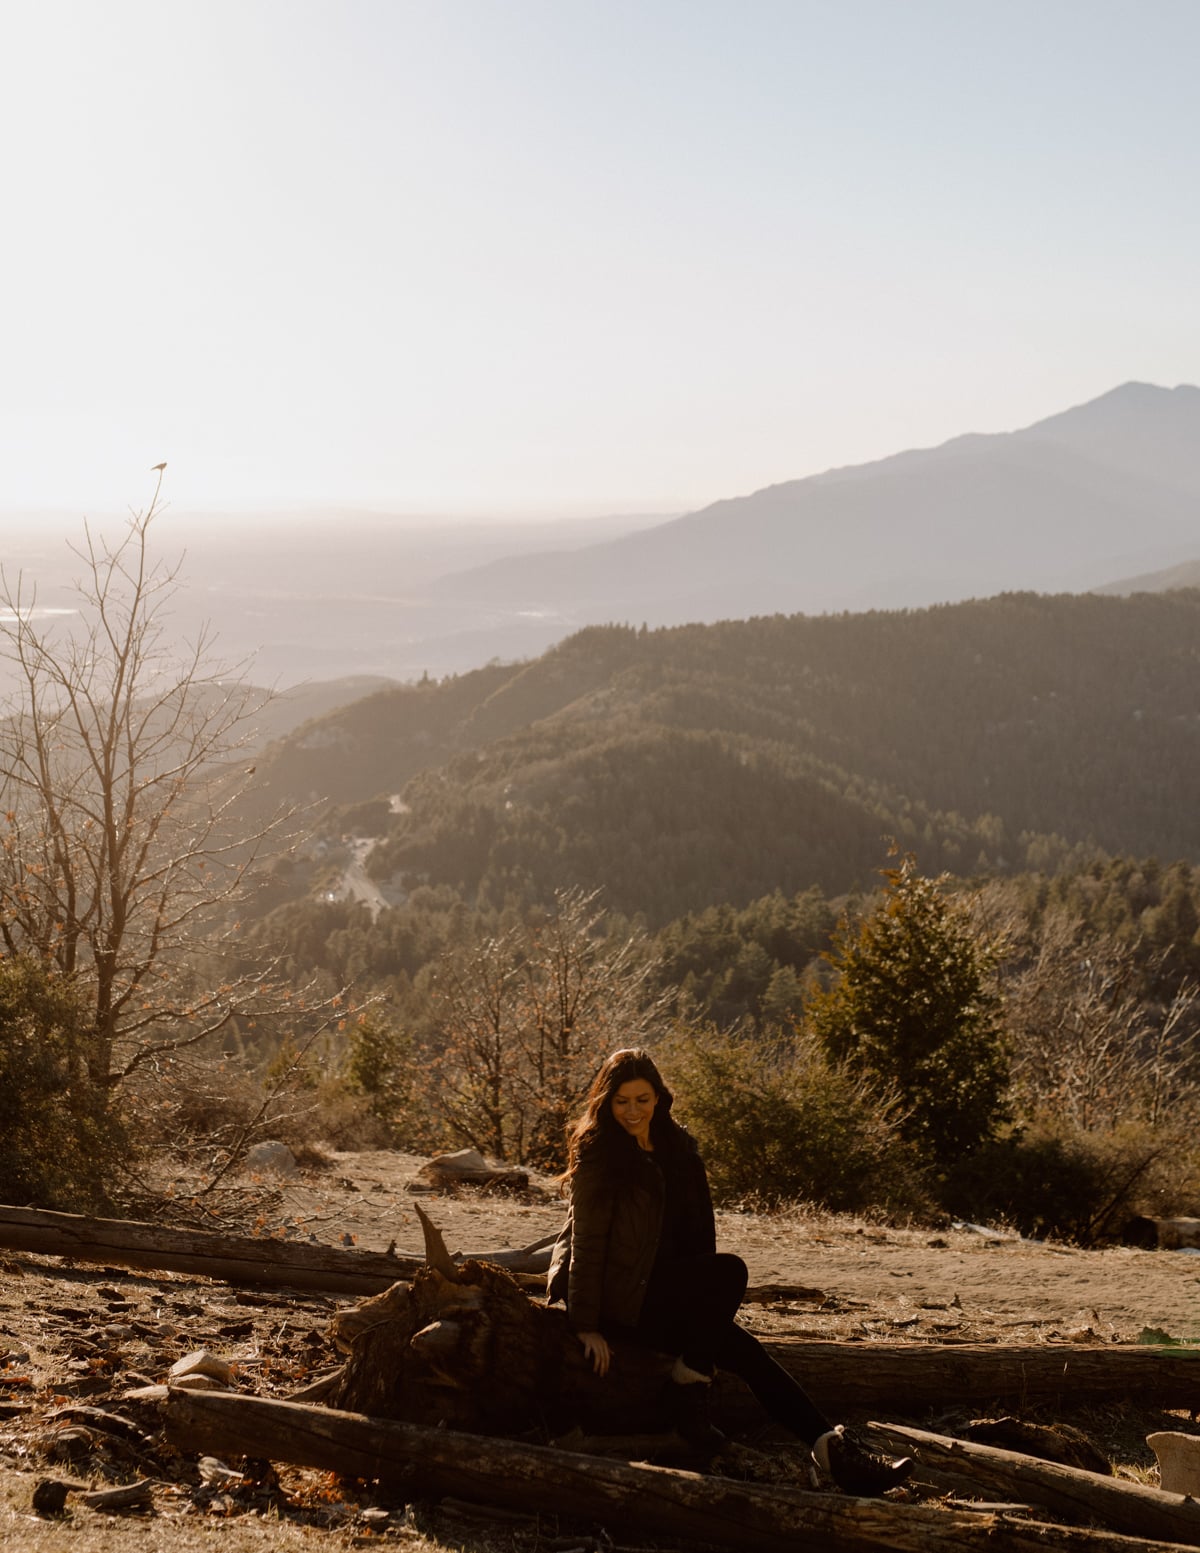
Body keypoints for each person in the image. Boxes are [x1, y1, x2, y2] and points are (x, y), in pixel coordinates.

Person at [547, 1047, 913, 1496]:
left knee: (749, 1354)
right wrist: (585, 1324)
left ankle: (833, 1452)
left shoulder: (678, 1150)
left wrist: (709, 1312)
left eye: (642, 1099)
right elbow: (586, 1242)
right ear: (606, 1102)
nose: (632, 1111)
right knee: (731, 1272)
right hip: (618, 1299)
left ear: (659, 1098)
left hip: (666, 1293)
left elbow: (700, 1234)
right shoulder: (600, 1156)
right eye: (622, 1101)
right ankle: (688, 1388)